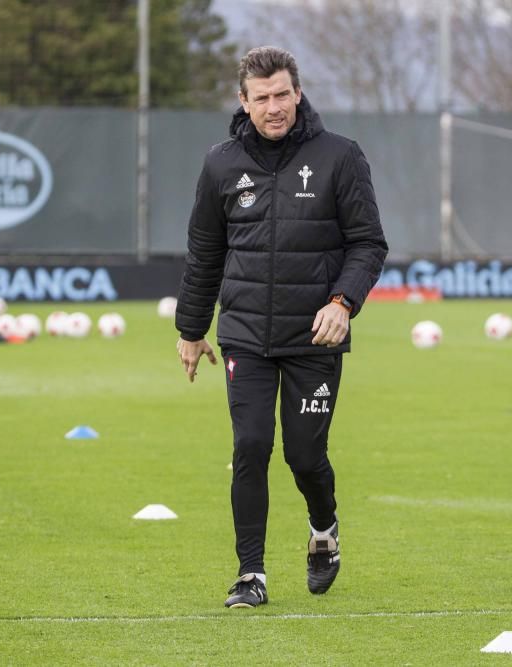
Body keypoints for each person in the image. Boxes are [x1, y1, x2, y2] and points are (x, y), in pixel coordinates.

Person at [175, 46, 388, 608]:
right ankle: (251, 575)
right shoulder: (220, 163)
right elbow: (204, 252)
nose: (274, 107)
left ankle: (324, 529)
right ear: (243, 102)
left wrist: (343, 302)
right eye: (261, 98)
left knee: (304, 457)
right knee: (250, 445)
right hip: (244, 334)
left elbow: (368, 243)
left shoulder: (340, 156)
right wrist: (192, 328)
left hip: (316, 338)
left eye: (282, 95)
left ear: (298, 93)